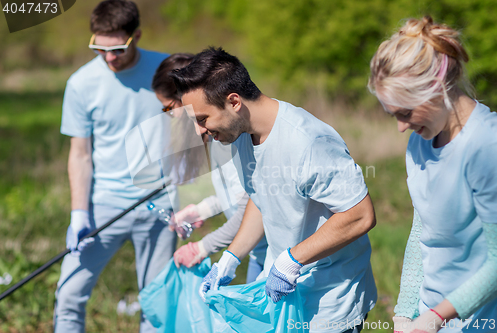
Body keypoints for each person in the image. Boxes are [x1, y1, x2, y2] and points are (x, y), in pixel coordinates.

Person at [170, 47, 377, 333]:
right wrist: (230, 258)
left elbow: (360, 215)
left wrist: (293, 259)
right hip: (284, 294)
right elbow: (261, 197)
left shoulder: (307, 141)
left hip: (330, 302)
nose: (199, 132)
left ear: (234, 102)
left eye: (202, 119)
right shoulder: (241, 137)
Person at [54, 1, 178, 332]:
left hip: (159, 204)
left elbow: (190, 137)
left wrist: (186, 195)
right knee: (68, 296)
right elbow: (79, 153)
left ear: (136, 35)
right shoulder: (81, 84)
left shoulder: (166, 72)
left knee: (156, 306)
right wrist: (78, 213)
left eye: (118, 49)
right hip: (102, 207)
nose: (109, 58)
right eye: (99, 49)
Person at [368, 16, 497, 333]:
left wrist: (438, 316)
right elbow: (421, 231)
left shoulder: (485, 145)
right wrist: (404, 313)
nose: (400, 127)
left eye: (406, 111)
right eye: (393, 114)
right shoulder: (419, 142)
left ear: (437, 89)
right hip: (429, 319)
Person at [151, 53, 267, 282]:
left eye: (168, 108)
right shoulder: (216, 139)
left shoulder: (230, 139)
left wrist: (202, 248)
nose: (171, 116)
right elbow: (238, 194)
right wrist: (201, 210)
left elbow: (253, 207)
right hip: (258, 251)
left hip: (272, 250)